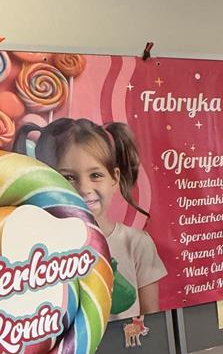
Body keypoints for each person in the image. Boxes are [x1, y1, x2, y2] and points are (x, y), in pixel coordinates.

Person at [13, 118, 167, 319]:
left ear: (115, 178)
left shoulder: (136, 243)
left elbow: (151, 316)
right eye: (68, 177)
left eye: (95, 175)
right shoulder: (39, 250)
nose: (84, 189)